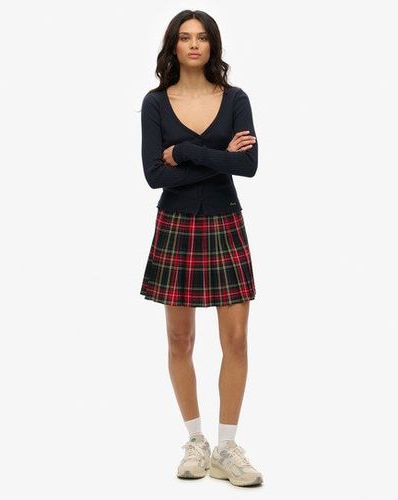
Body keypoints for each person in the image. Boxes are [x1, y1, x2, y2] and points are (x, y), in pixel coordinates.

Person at [139, 10, 263, 487]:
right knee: (180, 340)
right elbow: (155, 176)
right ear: (173, 45)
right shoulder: (155, 103)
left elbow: (248, 166)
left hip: (225, 222)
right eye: (185, 37)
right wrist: (220, 157)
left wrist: (186, 152)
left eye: (203, 37)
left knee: (236, 339)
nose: (194, 44)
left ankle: (227, 448)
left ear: (213, 45)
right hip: (175, 225)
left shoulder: (236, 100)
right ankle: (196, 442)